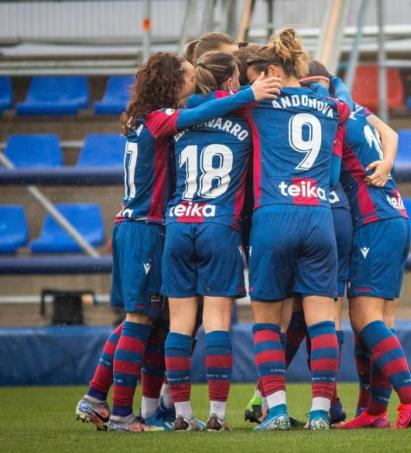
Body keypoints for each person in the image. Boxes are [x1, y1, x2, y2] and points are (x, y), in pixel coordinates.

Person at [75, 51, 281, 432]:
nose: (191, 79)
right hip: (153, 227)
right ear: (171, 83)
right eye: (186, 75)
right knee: (140, 321)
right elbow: (198, 114)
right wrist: (249, 94)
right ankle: (122, 411)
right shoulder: (162, 120)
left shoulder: (148, 120)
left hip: (157, 225)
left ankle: (137, 405)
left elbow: (193, 116)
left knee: (155, 322)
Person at [161, 50, 280, 432]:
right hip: (219, 226)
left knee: (179, 326)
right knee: (216, 324)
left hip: (179, 225)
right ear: (231, 82)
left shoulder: (181, 116)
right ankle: (216, 416)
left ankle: (181, 416)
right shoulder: (244, 119)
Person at [243, 27, 350, 431]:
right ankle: (320, 412)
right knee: (323, 319)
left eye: (258, 75)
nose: (254, 84)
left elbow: (216, 104)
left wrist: (249, 91)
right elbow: (343, 110)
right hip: (318, 214)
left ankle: (276, 410)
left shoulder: (257, 105)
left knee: (268, 321)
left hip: (274, 214)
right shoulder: (331, 108)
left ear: (272, 68)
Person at [326, 96, 411, 429]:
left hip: (373, 222)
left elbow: (329, 175)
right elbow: (392, 133)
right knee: (380, 320)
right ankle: (374, 412)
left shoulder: (331, 122)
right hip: (397, 216)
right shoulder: (356, 111)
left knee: (362, 316)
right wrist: (386, 162)